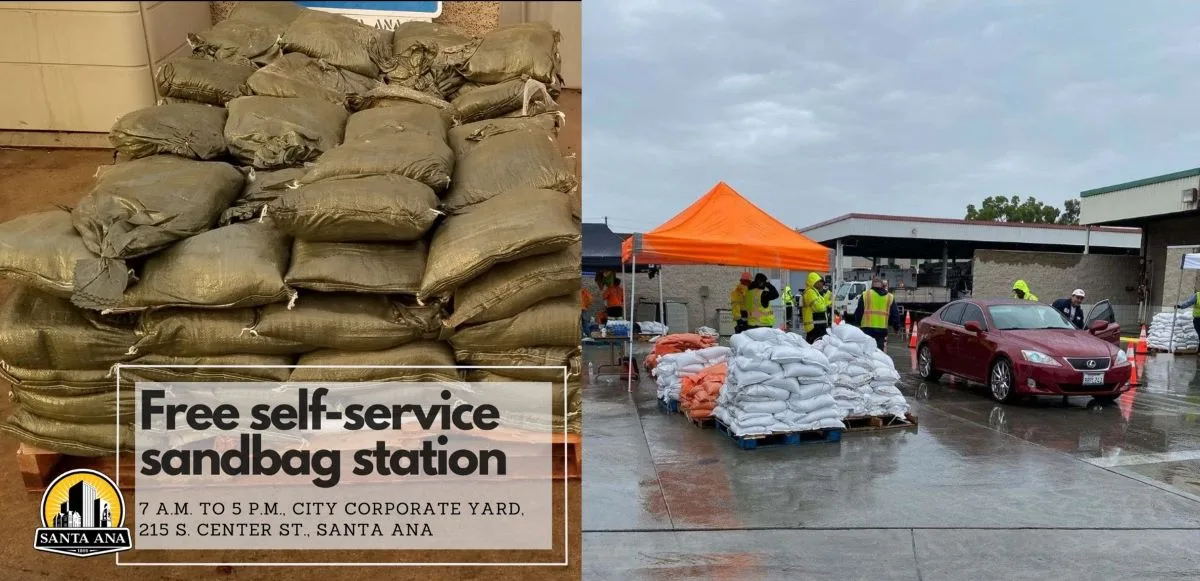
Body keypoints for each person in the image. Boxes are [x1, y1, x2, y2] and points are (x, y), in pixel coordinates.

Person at [854, 277, 893, 349]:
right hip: (881, 331)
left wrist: (858, 322)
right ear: (881, 285)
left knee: (867, 351)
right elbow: (894, 314)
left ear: (872, 285)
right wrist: (896, 326)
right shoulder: (889, 297)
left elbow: (859, 311)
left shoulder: (866, 295)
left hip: (867, 329)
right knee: (879, 353)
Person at [802, 272, 833, 343]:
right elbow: (819, 308)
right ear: (814, 282)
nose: (821, 284)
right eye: (819, 282)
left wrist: (828, 298)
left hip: (817, 326)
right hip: (814, 326)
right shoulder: (810, 292)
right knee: (815, 345)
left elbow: (821, 304)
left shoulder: (815, 292)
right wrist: (827, 303)